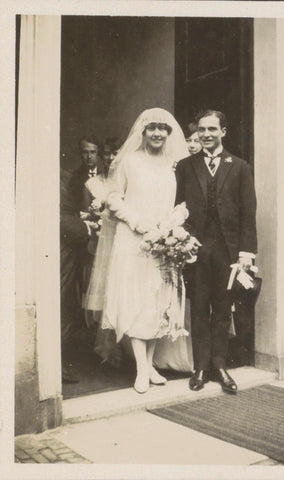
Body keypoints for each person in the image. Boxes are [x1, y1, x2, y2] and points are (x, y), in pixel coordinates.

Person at [86, 108, 191, 393]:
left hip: (163, 242)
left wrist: (170, 224)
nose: (157, 133)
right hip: (133, 241)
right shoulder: (129, 161)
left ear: (169, 133)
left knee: (157, 304)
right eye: (152, 128)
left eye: (163, 128)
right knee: (135, 302)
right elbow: (114, 199)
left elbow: (182, 202)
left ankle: (150, 365)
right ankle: (142, 370)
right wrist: (139, 222)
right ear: (143, 132)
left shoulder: (174, 164)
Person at [175, 110, 257, 394]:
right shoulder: (186, 166)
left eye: (212, 129)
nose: (206, 134)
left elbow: (248, 213)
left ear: (224, 131)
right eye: (202, 129)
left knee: (223, 309)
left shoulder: (240, 167)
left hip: (227, 250)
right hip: (196, 249)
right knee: (198, 308)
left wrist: (246, 253)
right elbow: (178, 209)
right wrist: (182, 239)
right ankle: (200, 367)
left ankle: (220, 366)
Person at [60, 168, 97, 383]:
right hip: (61, 254)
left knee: (69, 305)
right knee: (63, 305)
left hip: (70, 255)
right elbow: (59, 218)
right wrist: (86, 228)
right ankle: (59, 366)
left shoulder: (60, 178)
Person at [69, 136, 103, 213]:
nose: (89, 156)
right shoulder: (74, 178)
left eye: (93, 152)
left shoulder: (104, 175)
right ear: (80, 154)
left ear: (98, 154)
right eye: (85, 152)